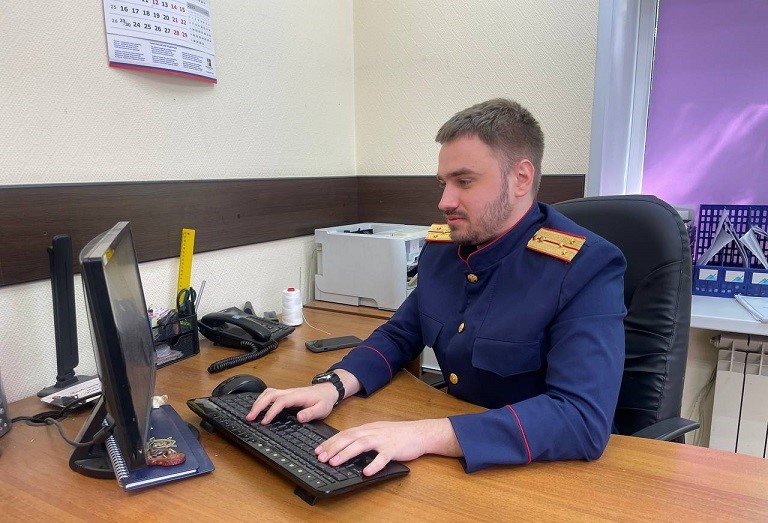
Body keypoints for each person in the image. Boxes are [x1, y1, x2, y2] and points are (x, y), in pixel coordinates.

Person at [247, 98, 627, 474]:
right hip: (455, 457)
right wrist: (333, 386)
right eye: (443, 183)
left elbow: (581, 418)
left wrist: (426, 434)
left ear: (521, 178)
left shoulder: (586, 266)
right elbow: (400, 334)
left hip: (541, 471)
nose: (445, 201)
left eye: (464, 181)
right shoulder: (446, 249)